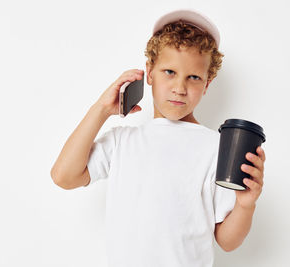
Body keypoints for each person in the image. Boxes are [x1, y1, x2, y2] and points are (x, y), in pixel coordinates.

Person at [50, 8, 266, 267]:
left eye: (194, 77)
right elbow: (64, 176)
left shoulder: (217, 149)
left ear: (207, 83)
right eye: (169, 72)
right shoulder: (122, 142)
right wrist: (102, 109)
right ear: (149, 72)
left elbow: (227, 241)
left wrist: (245, 205)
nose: (179, 88)